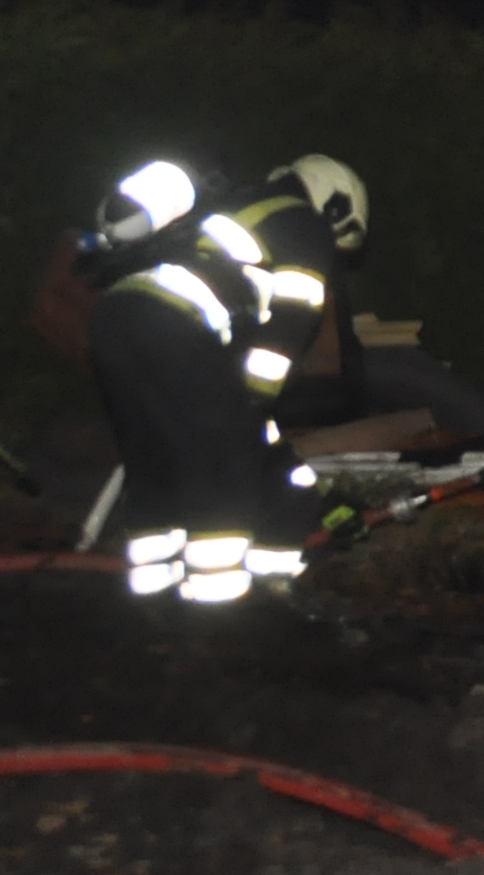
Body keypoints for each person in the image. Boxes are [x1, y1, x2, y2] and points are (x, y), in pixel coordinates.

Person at [74, 152, 368, 602]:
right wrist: (256, 398)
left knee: (155, 459)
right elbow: (292, 320)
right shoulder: (303, 223)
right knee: (223, 471)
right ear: (335, 207)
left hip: (116, 318)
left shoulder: (231, 208)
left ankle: (152, 597)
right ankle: (218, 609)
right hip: (178, 322)